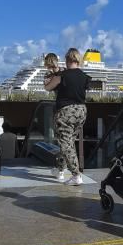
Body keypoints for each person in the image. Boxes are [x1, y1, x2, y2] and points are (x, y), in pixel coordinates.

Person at [45, 48, 90, 186]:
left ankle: (76, 175)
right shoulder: (84, 76)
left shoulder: (62, 76)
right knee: (69, 142)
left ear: (67, 60)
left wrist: (51, 76)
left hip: (66, 112)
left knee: (66, 144)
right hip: (81, 111)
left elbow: (48, 88)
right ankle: (60, 169)